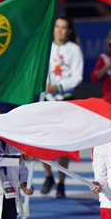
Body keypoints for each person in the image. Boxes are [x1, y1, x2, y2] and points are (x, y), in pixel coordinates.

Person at [40, 16, 84, 199]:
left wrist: (58, 87)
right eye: (57, 26)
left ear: (69, 31)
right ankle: (48, 176)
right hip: (46, 100)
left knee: (64, 143)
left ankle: (61, 182)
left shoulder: (74, 49)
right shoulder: (45, 46)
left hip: (65, 100)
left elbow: (77, 77)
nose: (59, 30)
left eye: (63, 27)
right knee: (42, 140)